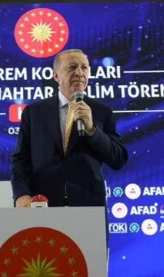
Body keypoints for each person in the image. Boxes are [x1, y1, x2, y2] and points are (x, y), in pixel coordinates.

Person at [10, 49, 128, 208]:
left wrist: (92, 130)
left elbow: (118, 159)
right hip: (43, 205)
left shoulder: (102, 111)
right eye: (72, 67)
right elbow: (20, 159)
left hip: (89, 207)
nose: (79, 73)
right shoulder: (34, 112)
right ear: (56, 76)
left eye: (84, 67)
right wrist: (22, 194)